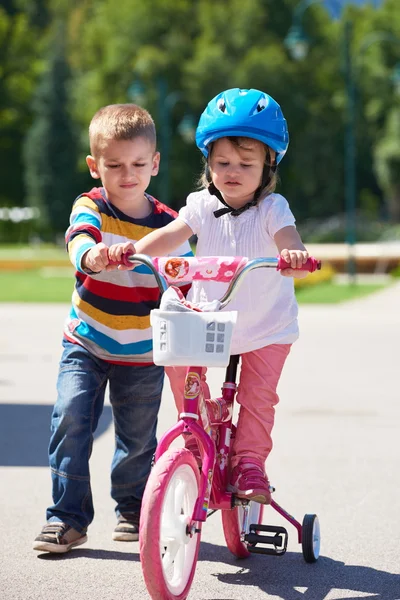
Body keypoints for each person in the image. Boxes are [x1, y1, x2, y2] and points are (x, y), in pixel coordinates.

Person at [131, 88, 311, 505]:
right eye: (222, 161)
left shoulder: (273, 208)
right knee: (178, 362)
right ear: (207, 160)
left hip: (267, 326)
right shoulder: (197, 205)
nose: (233, 171)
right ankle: (196, 426)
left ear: (268, 164)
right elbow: (169, 235)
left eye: (246, 163)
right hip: (211, 317)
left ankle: (250, 462)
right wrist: (135, 251)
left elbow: (289, 237)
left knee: (257, 398)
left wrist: (293, 254)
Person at [33, 103, 192, 553]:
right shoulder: (92, 206)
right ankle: (67, 517)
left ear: (155, 164)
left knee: (138, 437)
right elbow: (79, 236)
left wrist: (189, 286)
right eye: (115, 165)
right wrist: (90, 255)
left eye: (139, 164)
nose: (128, 175)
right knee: (69, 418)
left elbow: (187, 276)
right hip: (86, 339)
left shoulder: (168, 223)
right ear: (94, 165)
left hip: (142, 350)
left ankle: (132, 506)